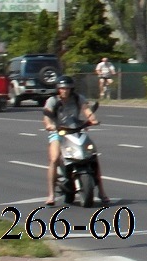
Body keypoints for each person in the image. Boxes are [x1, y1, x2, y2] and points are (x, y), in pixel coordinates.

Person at [44, 75, 109, 206]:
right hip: (58, 132)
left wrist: (92, 119)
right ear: (58, 88)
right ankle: (51, 194)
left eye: (67, 88)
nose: (65, 91)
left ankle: (102, 191)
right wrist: (49, 125)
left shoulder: (78, 98)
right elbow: (47, 116)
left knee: (92, 155)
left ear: (71, 88)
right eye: (62, 88)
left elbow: (87, 110)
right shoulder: (52, 100)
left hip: (76, 130)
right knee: (55, 158)